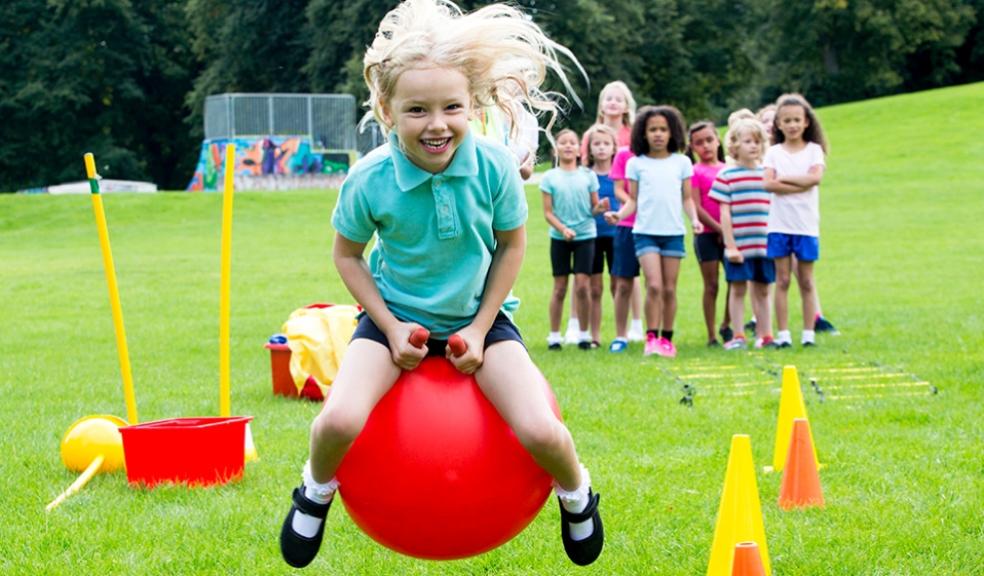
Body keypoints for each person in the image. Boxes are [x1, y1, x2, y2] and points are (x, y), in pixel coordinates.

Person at [279, 0, 603, 568]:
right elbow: (348, 256)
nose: (437, 124)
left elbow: (512, 246)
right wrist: (389, 325)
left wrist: (479, 330)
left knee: (541, 431)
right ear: (386, 108)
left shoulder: (495, 167)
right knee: (337, 420)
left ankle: (576, 496)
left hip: (480, 320)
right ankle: (315, 490)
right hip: (392, 321)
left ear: (472, 105)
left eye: (452, 107)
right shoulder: (369, 179)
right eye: (417, 110)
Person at [604, 105, 703, 358]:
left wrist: (694, 220)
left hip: (673, 233)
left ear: (672, 133)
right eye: (652, 130)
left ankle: (666, 339)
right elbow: (633, 200)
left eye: (663, 129)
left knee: (670, 288)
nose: (658, 134)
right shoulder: (637, 164)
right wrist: (619, 214)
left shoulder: (682, 162)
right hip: (644, 232)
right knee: (655, 286)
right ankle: (651, 336)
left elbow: (688, 199)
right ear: (643, 134)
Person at [567, 81, 644, 344]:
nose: (612, 102)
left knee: (627, 275)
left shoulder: (633, 134)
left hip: (624, 215)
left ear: (626, 105)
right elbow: (584, 168)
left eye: (618, 99)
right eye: (608, 98)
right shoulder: (590, 134)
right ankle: (577, 324)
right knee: (585, 278)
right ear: (601, 104)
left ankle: (636, 323)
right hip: (592, 223)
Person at [763, 93, 828, 348]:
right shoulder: (774, 152)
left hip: (806, 225)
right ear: (779, 124)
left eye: (796, 120)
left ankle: (809, 333)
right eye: (787, 121)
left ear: (806, 123)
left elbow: (814, 179)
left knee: (807, 280)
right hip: (779, 225)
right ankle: (783, 334)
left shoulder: (814, 151)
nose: (792, 125)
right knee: (783, 280)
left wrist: (785, 180)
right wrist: (797, 181)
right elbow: (768, 183)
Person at [710, 118, 776, 349]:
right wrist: (730, 246)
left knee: (763, 289)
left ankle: (766, 335)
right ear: (735, 145)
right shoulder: (727, 176)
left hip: (765, 244)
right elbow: (724, 215)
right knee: (738, 289)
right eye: (748, 141)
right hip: (739, 246)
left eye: (758, 141)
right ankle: (738, 335)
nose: (754, 146)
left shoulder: (768, 175)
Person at [542, 129, 609, 350]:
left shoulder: (588, 176)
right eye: (563, 143)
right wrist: (563, 229)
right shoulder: (550, 177)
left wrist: (601, 208)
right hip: (560, 237)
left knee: (582, 286)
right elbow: (548, 213)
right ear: (556, 149)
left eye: (573, 142)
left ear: (579, 148)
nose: (568, 146)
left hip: (586, 236)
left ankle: (583, 334)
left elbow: (593, 208)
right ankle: (554, 336)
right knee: (560, 287)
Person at [687, 120, 730, 346]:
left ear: (718, 139)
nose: (706, 146)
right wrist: (718, 227)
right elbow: (696, 205)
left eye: (709, 140)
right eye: (699, 143)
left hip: (730, 234)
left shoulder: (728, 169)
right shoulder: (694, 171)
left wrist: (729, 230)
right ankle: (711, 333)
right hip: (706, 234)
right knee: (711, 285)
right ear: (692, 147)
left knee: (734, 280)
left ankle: (728, 323)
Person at [583, 124, 620, 347]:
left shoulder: (620, 175)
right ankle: (595, 336)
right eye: (597, 144)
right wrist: (596, 210)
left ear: (613, 147)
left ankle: (620, 334)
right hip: (592, 236)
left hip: (616, 235)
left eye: (606, 144)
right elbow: (584, 208)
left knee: (618, 286)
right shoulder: (586, 175)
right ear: (590, 148)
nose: (602, 148)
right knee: (595, 288)